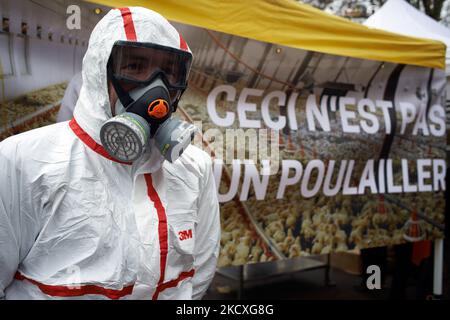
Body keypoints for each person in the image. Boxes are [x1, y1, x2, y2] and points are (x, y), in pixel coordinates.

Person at [0, 7, 220, 300]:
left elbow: (200, 272)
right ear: (98, 72)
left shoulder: (196, 167)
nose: (155, 90)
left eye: (168, 72)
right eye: (134, 67)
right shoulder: (19, 161)